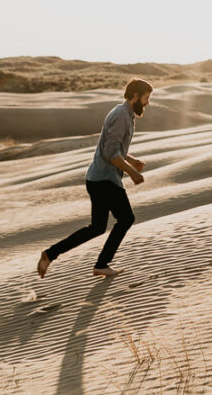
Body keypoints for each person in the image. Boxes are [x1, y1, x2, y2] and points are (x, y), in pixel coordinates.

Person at [36, 78, 152, 279]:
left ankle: (50, 254)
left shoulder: (124, 114)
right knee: (126, 219)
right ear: (135, 96)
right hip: (104, 180)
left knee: (97, 227)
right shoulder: (122, 116)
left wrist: (132, 161)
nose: (147, 103)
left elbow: (115, 148)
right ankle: (101, 264)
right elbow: (110, 153)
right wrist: (132, 172)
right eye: (146, 98)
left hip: (97, 178)